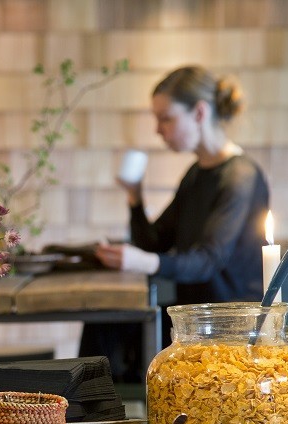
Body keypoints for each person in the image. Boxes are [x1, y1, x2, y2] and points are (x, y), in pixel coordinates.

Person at [80, 65, 271, 382]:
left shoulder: (240, 177)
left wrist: (145, 261)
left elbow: (207, 260)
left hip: (226, 323)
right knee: (104, 319)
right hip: (194, 315)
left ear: (199, 112)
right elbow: (154, 242)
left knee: (112, 326)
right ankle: (95, 413)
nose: (158, 130)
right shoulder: (196, 175)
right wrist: (134, 196)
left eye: (166, 118)